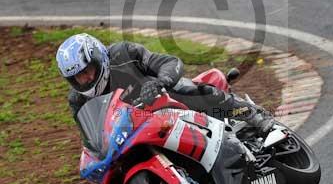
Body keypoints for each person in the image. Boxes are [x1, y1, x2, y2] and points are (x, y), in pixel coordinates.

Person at [55, 33, 273, 139]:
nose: (85, 79)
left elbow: (169, 63)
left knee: (187, 90)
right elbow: (92, 136)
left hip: (167, 103)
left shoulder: (123, 54)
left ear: (99, 58)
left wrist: (161, 82)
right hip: (137, 130)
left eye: (87, 71)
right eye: (78, 78)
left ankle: (251, 113)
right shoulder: (78, 100)